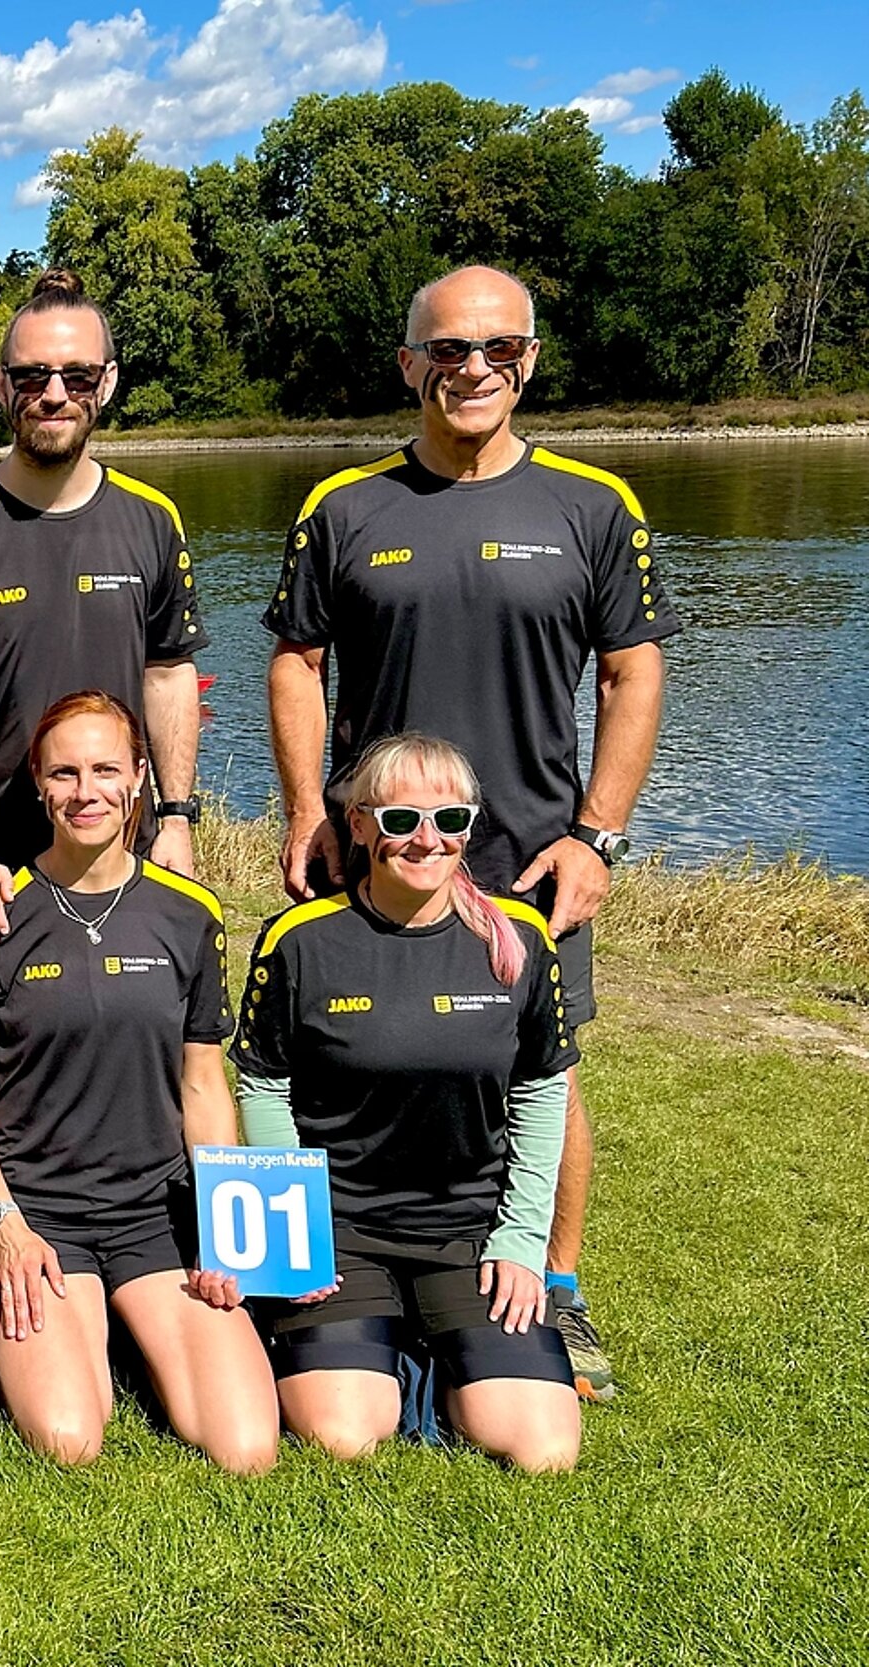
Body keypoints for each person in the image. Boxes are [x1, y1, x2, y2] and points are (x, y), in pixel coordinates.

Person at [264, 264, 679, 1401]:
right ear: (410, 364)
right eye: (448, 349)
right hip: (372, 845)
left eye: (498, 348)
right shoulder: (343, 508)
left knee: (547, 1069)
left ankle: (555, 1287)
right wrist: (310, 809)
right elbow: (295, 662)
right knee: (331, 1060)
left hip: (525, 855)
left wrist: (598, 834)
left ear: (529, 360)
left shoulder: (592, 506)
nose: (473, 368)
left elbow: (632, 671)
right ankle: (336, 1279)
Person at [0, 692, 278, 1472]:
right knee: (70, 1439)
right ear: (38, 783)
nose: (85, 790)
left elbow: (203, 1082)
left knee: (247, 1447)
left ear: (138, 778)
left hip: (156, 1216)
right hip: (41, 1214)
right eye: (64, 771)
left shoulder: (189, 913)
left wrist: (224, 1229)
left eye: (103, 769)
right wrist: (4, 1222)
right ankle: (81, 1326)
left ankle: (131, 1327)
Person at [233, 733, 581, 1473]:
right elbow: (264, 1084)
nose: (428, 839)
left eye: (451, 819)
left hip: (468, 1232)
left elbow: (542, 1090)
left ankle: (426, 1344)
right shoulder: (299, 940)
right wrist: (293, 1240)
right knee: (343, 1435)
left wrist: (522, 1241)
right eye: (400, 820)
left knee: (543, 1447)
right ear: (358, 825)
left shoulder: (519, 938)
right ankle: (395, 1349)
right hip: (342, 1231)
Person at [0, 269, 208, 961]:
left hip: (123, 861)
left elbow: (168, 675)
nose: (56, 394)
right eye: (33, 376)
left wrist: (179, 820)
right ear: (4, 386)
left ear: (109, 381)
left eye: (79, 375)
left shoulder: (153, 521)